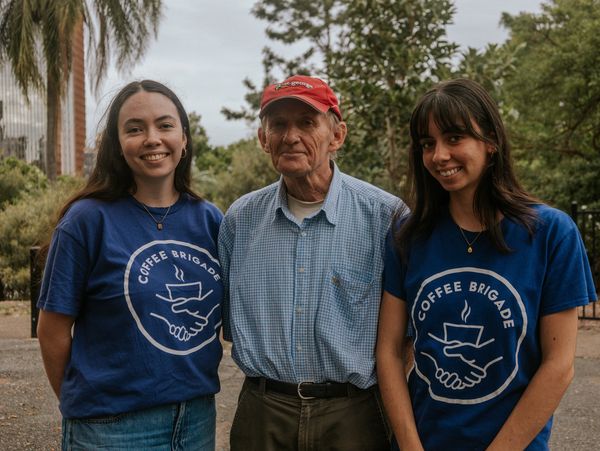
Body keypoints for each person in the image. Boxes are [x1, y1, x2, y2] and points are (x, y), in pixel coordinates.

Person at [376, 78, 597, 450]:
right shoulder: (407, 235)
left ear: (490, 142)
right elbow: (389, 350)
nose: (439, 155)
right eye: (428, 144)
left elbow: (559, 366)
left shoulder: (550, 233)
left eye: (454, 138)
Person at [218, 74, 402, 450]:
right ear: (262, 138)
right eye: (278, 124)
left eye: (306, 122)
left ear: (337, 136)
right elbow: (229, 325)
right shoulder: (240, 219)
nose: (290, 136)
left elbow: (405, 336)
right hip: (263, 412)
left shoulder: (385, 216)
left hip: (354, 415)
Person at [36, 80, 223, 450]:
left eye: (165, 125)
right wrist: (86, 406)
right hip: (111, 428)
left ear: (184, 139)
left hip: (196, 420)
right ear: (118, 146)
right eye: (134, 129)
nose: (152, 138)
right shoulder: (86, 221)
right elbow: (52, 331)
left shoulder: (210, 220)